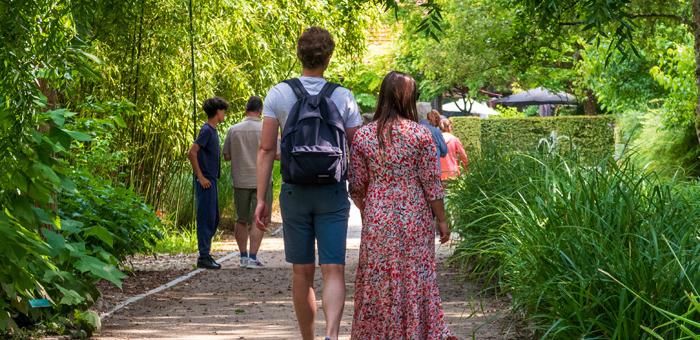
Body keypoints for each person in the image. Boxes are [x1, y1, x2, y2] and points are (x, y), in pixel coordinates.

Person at [254, 27, 362, 340]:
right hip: (332, 192)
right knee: (334, 269)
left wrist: (262, 199)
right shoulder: (342, 96)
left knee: (302, 273)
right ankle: (331, 335)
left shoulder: (279, 94)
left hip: (294, 191)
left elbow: (265, 149)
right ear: (328, 58)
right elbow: (357, 148)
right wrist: (358, 192)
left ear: (299, 54)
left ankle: (308, 338)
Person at [348, 71, 454, 339]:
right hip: (414, 217)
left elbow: (356, 186)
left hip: (377, 217)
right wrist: (442, 220)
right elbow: (432, 185)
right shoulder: (421, 136)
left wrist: (370, 210)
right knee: (414, 276)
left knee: (378, 279)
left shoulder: (363, 137)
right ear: (410, 99)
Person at [223, 96, 272, 269]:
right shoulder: (267, 129)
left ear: (246, 109)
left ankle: (243, 256)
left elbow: (226, 155)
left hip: (240, 179)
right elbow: (278, 154)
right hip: (263, 180)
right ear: (260, 111)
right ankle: (253, 257)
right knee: (259, 219)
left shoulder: (233, 130)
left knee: (241, 219)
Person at [187, 97, 228, 270]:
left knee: (213, 217)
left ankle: (206, 252)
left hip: (212, 180)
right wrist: (200, 176)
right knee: (206, 217)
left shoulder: (213, 130)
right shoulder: (206, 131)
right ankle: (203, 256)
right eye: (223, 111)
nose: (224, 114)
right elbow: (192, 152)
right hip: (206, 182)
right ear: (217, 112)